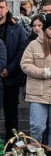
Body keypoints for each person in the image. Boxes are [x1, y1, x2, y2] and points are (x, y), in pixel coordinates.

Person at [0, 0, 28, 136]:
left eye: (1, 7)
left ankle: (12, 145)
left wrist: (9, 69)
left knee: (11, 114)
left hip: (11, 77)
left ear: (7, 8)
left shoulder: (16, 28)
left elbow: (22, 51)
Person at [20, 15, 51, 147]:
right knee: (37, 127)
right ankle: (35, 154)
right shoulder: (33, 44)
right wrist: (43, 72)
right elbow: (25, 64)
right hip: (38, 94)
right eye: (50, 28)